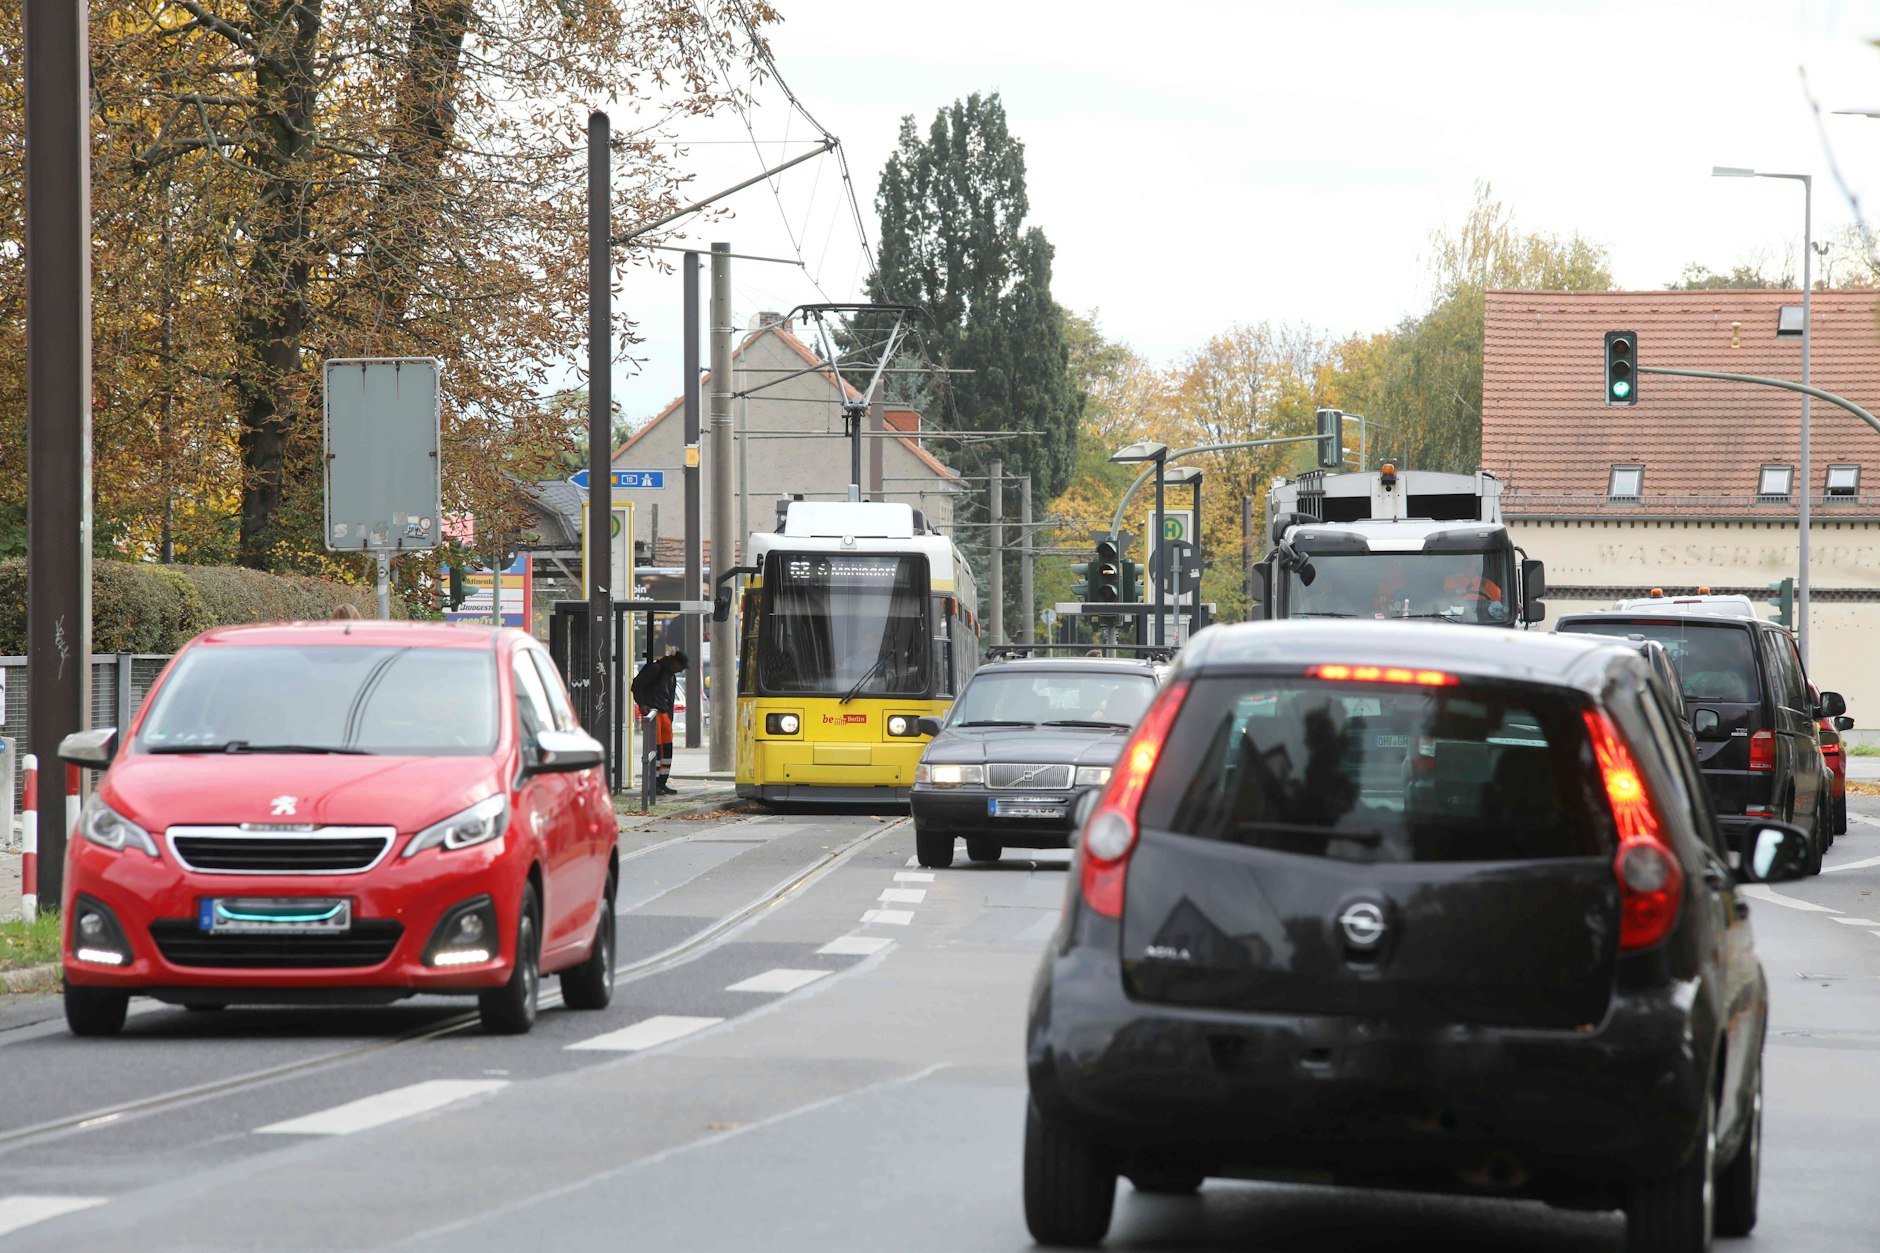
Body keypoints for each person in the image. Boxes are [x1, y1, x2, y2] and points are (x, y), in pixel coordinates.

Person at [631, 648, 688, 795]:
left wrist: (670, 717)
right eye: (681, 667)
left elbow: (669, 699)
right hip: (653, 714)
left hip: (664, 715)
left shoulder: (671, 676)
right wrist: (642, 704)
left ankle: (661, 783)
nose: (680, 670)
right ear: (675, 662)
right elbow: (636, 685)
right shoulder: (656, 669)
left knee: (666, 750)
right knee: (654, 750)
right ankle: (653, 784)